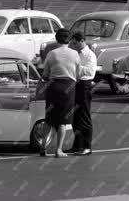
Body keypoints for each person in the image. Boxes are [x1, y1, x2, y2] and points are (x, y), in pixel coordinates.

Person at [41, 28, 80, 158]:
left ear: (57, 39)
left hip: (53, 86)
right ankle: (58, 150)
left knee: (49, 119)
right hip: (68, 87)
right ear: (69, 39)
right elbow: (78, 74)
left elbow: (45, 73)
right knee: (63, 120)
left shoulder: (52, 53)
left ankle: (42, 147)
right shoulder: (75, 54)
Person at [69, 31, 96, 155]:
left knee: (84, 116)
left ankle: (87, 146)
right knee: (75, 117)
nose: (72, 45)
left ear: (81, 41)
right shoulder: (74, 53)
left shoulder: (90, 55)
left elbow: (90, 72)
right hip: (75, 84)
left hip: (84, 85)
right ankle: (77, 145)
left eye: (75, 43)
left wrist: (76, 67)